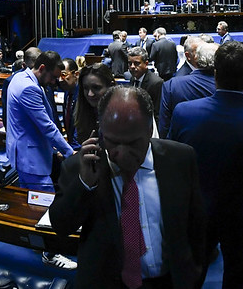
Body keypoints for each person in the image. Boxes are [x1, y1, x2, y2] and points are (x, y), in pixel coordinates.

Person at [49, 86, 206, 289]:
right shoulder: (81, 166)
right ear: (101, 130)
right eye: (113, 142)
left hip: (169, 282)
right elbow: (61, 227)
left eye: (132, 143)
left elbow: (197, 226)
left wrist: (194, 275)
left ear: (149, 129)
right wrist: (85, 184)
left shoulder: (180, 158)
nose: (121, 153)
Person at [169, 41, 243, 289]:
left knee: (192, 277)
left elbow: (173, 166)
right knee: (238, 279)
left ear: (216, 74)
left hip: (198, 212)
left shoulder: (184, 113)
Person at [5, 50, 72, 191]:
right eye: (53, 77)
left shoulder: (19, 77)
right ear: (42, 68)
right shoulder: (29, 88)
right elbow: (47, 127)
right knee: (45, 201)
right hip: (31, 160)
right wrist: (70, 153)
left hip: (21, 155)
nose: (53, 82)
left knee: (29, 198)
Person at [158, 42, 218, 138]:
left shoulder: (171, 85)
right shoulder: (227, 86)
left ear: (197, 58)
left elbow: (164, 127)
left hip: (180, 144)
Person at [73, 63, 117, 144]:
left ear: (111, 86)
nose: (90, 94)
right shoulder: (82, 115)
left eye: (96, 88)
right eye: (86, 88)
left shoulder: (122, 116)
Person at [127, 46, 163, 113]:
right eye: (130, 63)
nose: (132, 66)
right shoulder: (133, 78)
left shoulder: (156, 83)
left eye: (136, 63)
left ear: (146, 64)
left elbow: (157, 112)